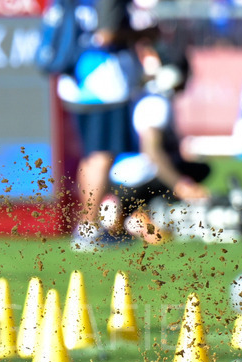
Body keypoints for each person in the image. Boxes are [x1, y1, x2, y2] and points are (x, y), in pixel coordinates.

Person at [55, 0, 147, 251]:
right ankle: (88, 228)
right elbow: (105, 35)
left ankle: (86, 226)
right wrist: (142, 33)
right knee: (101, 156)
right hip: (102, 84)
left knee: (90, 156)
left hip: (76, 81)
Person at [108, 46, 210, 243]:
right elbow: (152, 151)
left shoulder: (147, 96)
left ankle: (127, 215)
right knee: (195, 170)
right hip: (134, 179)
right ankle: (143, 216)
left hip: (122, 177)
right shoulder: (156, 103)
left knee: (188, 166)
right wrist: (181, 185)